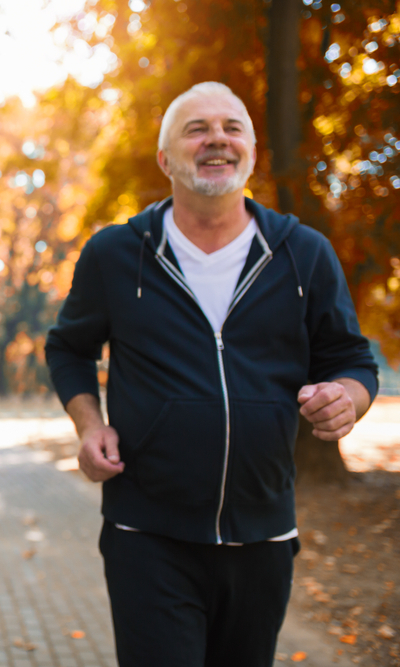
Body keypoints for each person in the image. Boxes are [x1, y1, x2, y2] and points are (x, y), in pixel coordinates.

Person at [45, 82, 379, 667]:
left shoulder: (304, 253)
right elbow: (68, 348)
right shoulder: (117, 254)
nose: (216, 139)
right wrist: (88, 424)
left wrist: (347, 397)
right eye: (196, 128)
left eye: (232, 127)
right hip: (145, 533)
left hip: (264, 535)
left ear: (250, 150)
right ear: (165, 159)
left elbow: (352, 360)